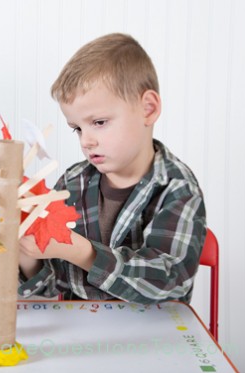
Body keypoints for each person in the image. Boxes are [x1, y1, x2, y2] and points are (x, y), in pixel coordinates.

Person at [18, 33, 206, 304]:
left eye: (100, 122)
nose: (86, 140)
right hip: (82, 332)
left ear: (148, 109)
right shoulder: (72, 183)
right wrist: (27, 254)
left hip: (155, 334)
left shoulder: (176, 188)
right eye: (77, 129)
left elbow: (168, 280)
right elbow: (49, 286)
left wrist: (79, 250)